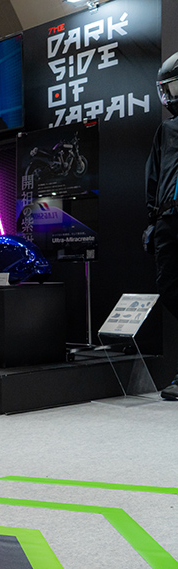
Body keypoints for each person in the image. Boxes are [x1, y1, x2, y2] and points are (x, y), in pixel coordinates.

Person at [145, 51, 178, 400]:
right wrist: (152, 222)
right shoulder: (166, 131)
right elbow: (152, 178)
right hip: (169, 219)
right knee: (169, 287)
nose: (171, 94)